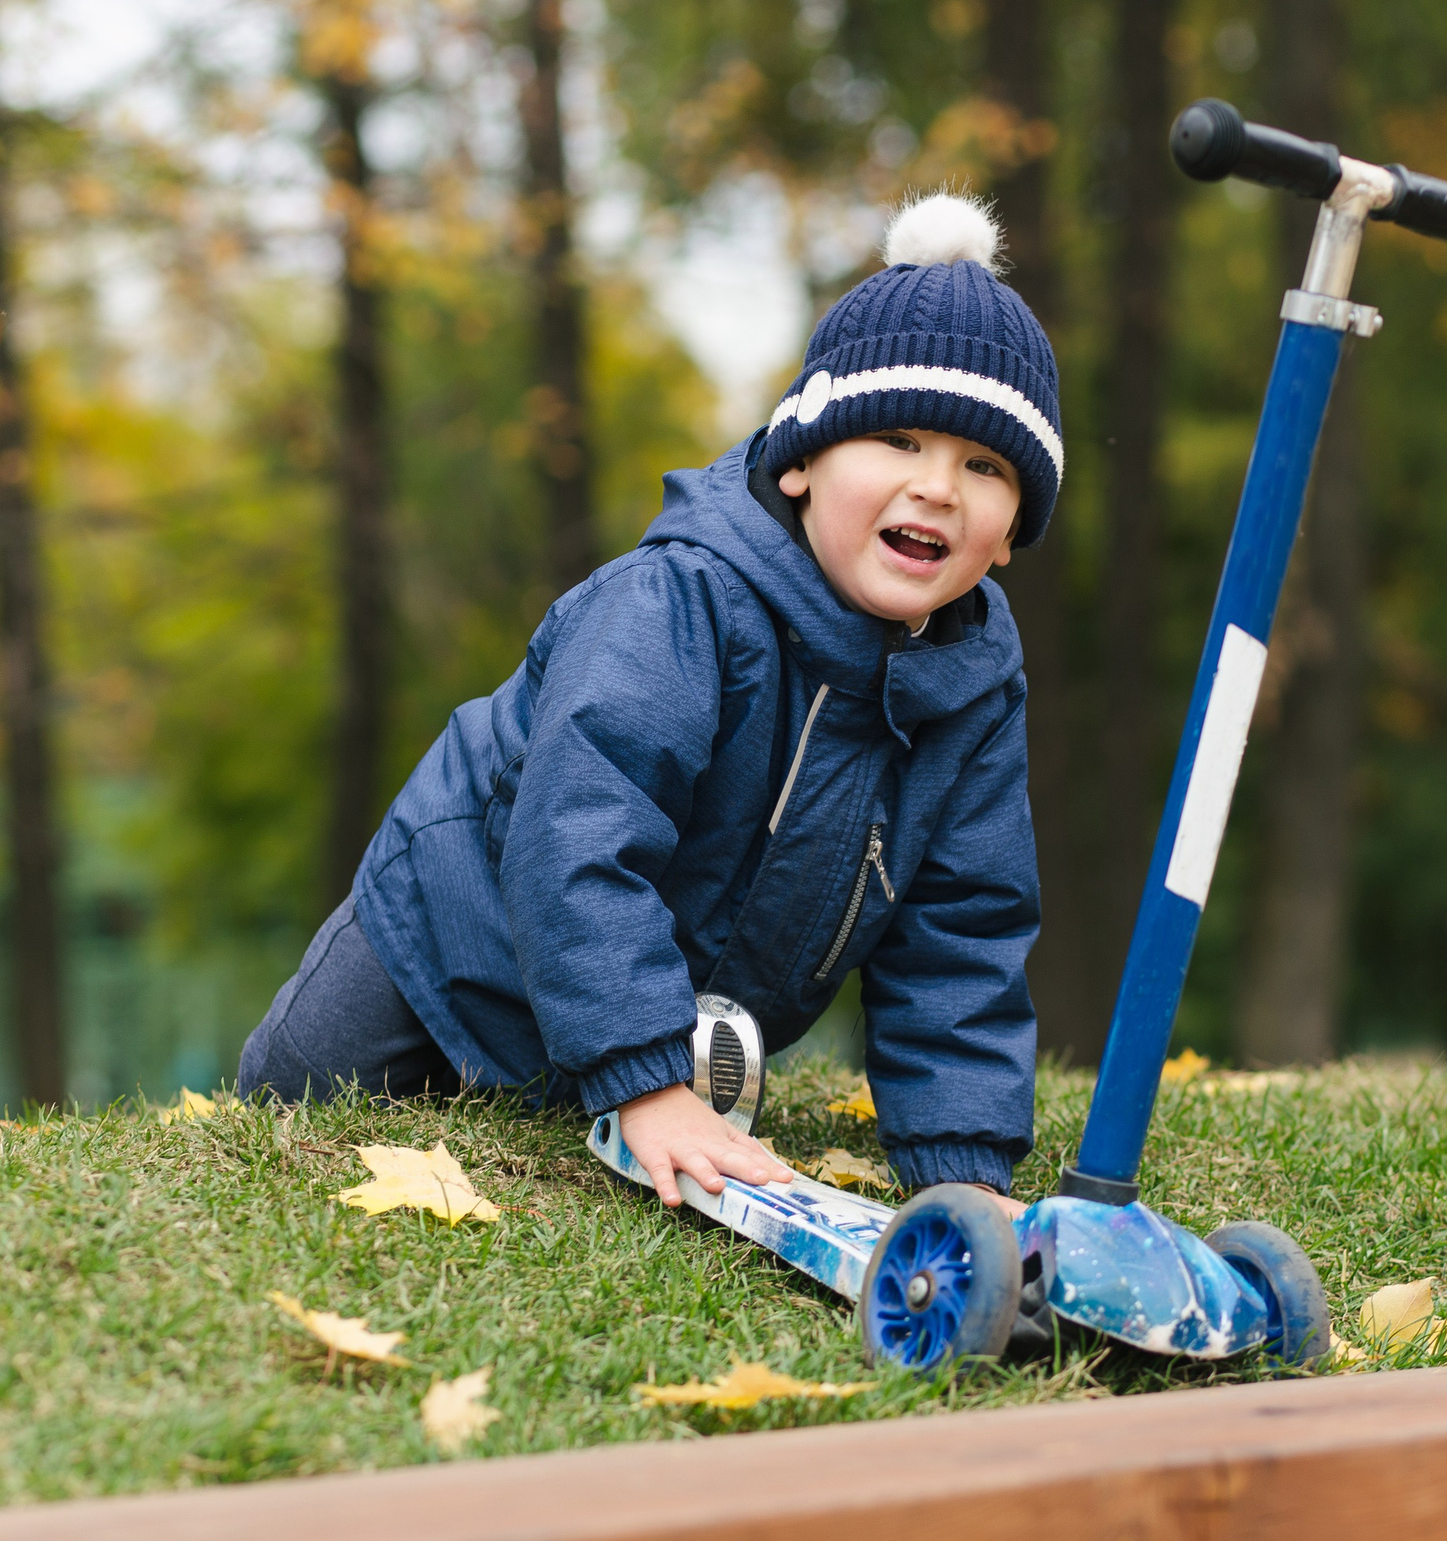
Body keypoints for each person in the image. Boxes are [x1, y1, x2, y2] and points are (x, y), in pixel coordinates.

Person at [239, 192, 1058, 1209]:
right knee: (290, 1114)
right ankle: (590, 1067)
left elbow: (962, 928)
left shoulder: (969, 688)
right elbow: (578, 829)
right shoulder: (680, 601)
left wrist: (961, 1166)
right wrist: (647, 1077)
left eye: (983, 467)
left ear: (1012, 531)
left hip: (673, 1002)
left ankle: (606, 1071)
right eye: (896, 441)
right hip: (451, 934)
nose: (936, 487)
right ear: (799, 460)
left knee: (551, 1133)